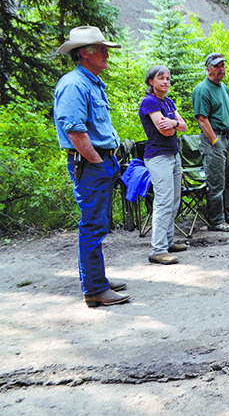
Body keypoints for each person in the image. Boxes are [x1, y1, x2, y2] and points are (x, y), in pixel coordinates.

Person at [54, 26, 129, 307]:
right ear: (85, 52)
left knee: (98, 224)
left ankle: (97, 279)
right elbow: (74, 131)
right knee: (92, 226)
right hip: (90, 163)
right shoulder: (74, 84)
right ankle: (95, 289)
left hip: (100, 161)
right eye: (101, 48)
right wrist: (97, 162)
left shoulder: (91, 82)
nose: (106, 53)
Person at [138, 66, 188, 265]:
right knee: (164, 201)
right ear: (151, 81)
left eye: (168, 78)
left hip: (173, 155)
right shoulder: (149, 101)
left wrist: (174, 124)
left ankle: (168, 242)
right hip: (158, 157)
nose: (166, 81)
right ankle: (157, 249)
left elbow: (183, 126)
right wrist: (174, 125)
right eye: (161, 78)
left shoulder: (167, 101)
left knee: (174, 200)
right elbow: (164, 131)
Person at [192, 52, 229, 232]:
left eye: (222, 65)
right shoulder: (202, 89)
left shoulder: (223, 88)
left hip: (227, 137)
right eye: (217, 66)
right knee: (216, 182)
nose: (221, 69)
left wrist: (228, 137)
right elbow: (202, 119)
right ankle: (216, 220)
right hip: (213, 139)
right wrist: (214, 141)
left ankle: (228, 216)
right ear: (208, 69)